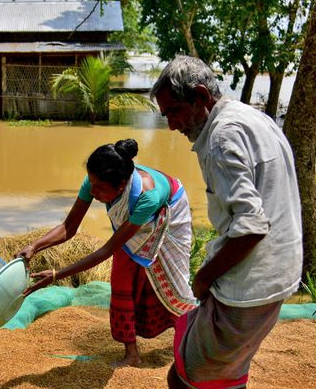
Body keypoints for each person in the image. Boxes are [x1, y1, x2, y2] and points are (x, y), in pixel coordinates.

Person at [151, 55, 302, 389]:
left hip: (247, 284)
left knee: (180, 378)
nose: (172, 125)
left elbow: (251, 226)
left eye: (175, 112)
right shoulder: (253, 118)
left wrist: (204, 276)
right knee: (236, 371)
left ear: (200, 98)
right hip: (278, 277)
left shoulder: (221, 138)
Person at [18, 139, 197, 367]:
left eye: (100, 188)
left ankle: (191, 342)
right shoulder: (95, 182)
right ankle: (131, 354)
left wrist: (56, 275)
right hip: (134, 218)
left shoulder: (147, 196)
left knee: (173, 285)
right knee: (121, 276)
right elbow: (68, 227)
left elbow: (106, 250)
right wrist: (34, 246)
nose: (93, 192)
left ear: (121, 186)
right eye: (91, 183)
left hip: (168, 214)